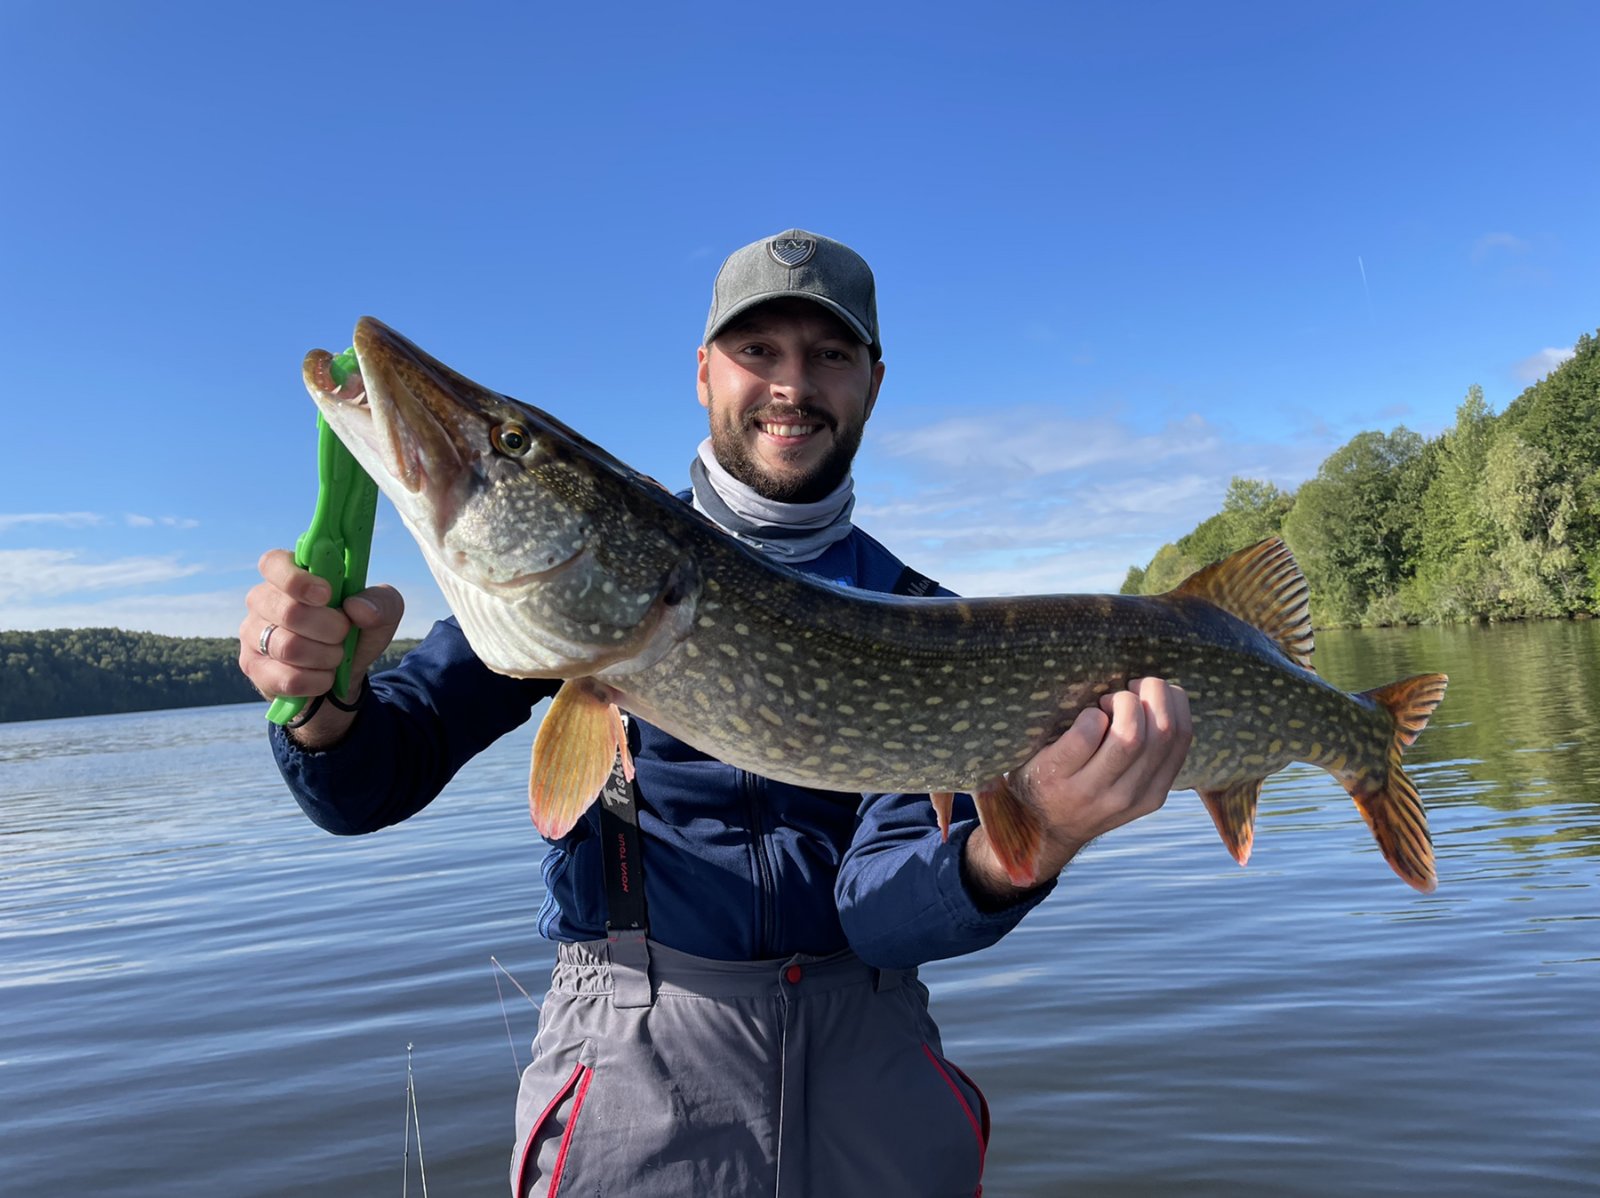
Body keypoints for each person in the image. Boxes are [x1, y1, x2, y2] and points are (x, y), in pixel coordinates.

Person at [239, 230, 1193, 1197]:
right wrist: (322, 702)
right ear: (704, 373)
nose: (791, 384)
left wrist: (1026, 845)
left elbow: (887, 914)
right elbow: (368, 781)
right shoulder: (596, 573)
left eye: (829, 354)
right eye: (758, 352)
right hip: (635, 1084)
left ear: (871, 381)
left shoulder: (923, 618)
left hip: (874, 1081)